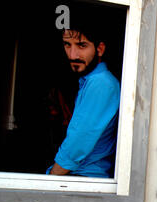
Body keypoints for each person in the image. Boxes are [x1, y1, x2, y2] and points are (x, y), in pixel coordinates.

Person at [47, 23, 120, 178]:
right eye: (67, 45)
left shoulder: (101, 83)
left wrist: (52, 177)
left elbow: (79, 140)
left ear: (100, 49)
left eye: (81, 46)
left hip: (84, 177)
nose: (73, 55)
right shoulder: (90, 80)